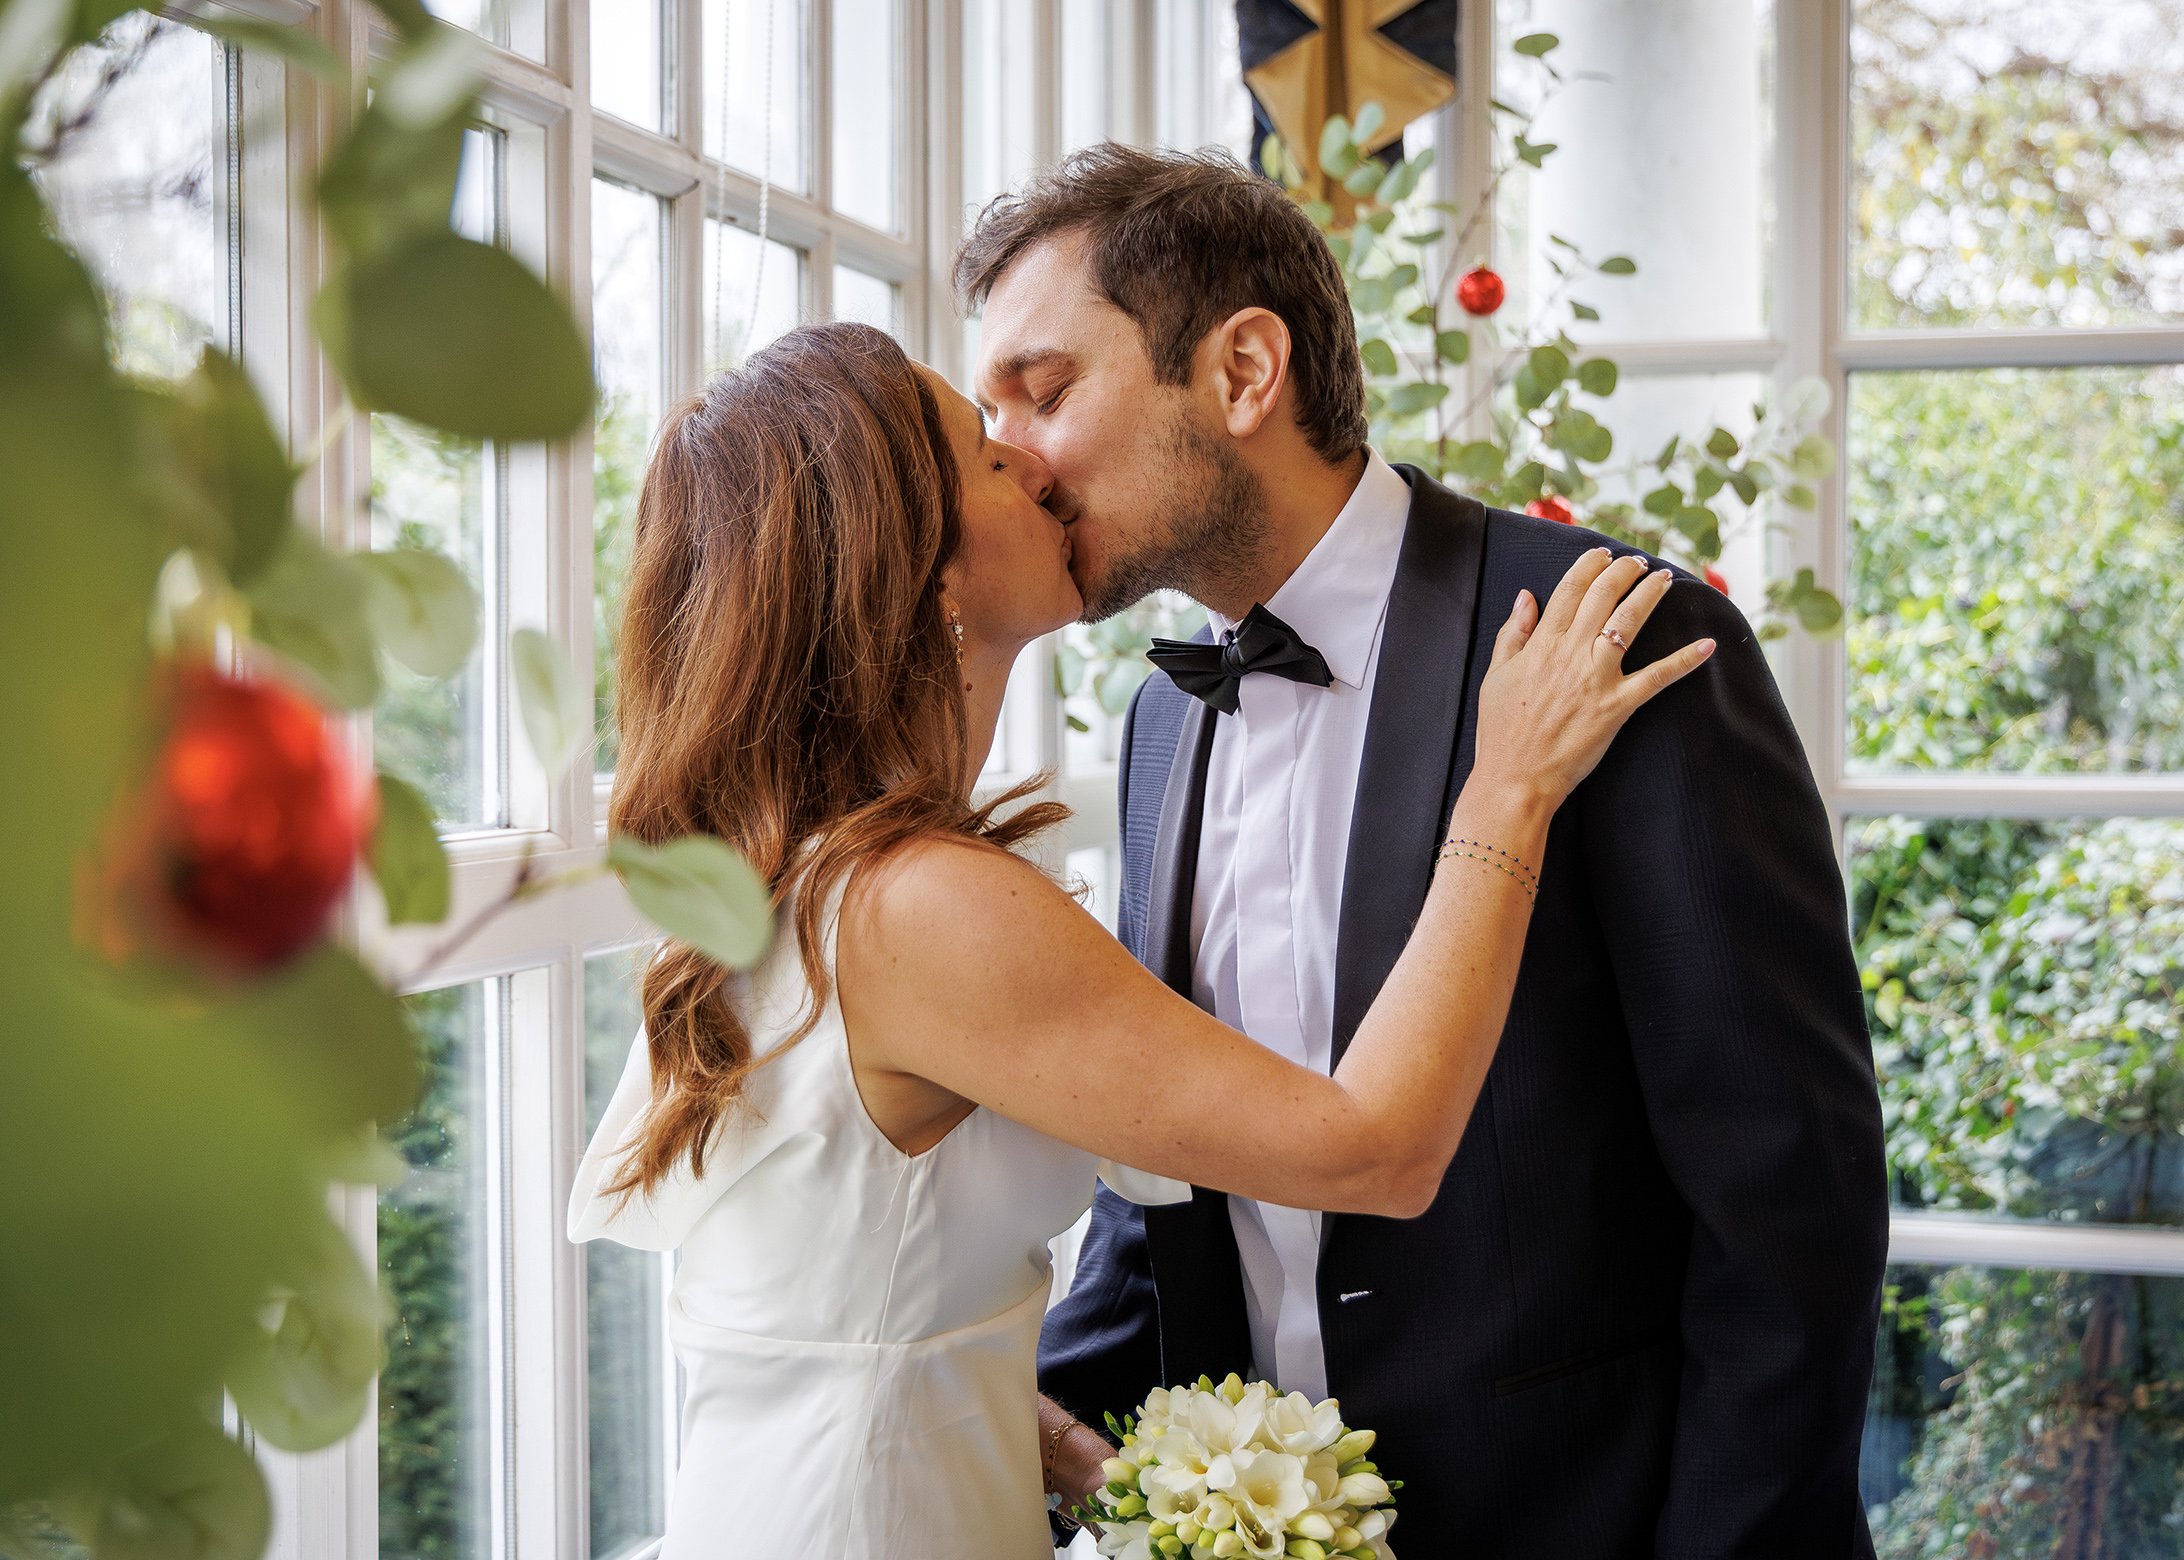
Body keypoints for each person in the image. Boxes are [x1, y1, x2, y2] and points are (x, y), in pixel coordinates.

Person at [568, 318, 1711, 1559]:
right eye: (987, 455)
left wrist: (1039, 1433)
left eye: (1044, 403)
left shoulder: (813, 868)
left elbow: (838, 1282)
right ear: (926, 566)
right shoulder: (917, 904)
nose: (1036, 464)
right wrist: (1509, 794)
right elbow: (1376, 1151)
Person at [954, 144, 1890, 1558]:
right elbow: (1164, 1197)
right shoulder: (1161, 720)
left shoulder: (1610, 638)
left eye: (1043, 389)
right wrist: (1004, 1439)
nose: (1011, 451)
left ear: (1244, 372)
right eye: (989, 412)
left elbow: (1788, 1202)